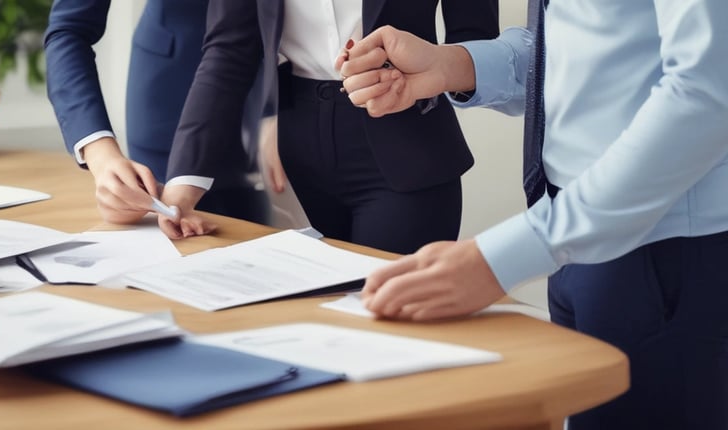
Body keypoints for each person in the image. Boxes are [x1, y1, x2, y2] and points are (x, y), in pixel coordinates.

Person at [338, 1, 728, 429]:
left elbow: (706, 93)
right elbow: (585, 48)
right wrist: (449, 64)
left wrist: (508, 256)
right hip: (574, 236)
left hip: (664, 252)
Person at [156, 0, 499, 252]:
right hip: (299, 149)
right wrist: (184, 183)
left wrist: (420, 77)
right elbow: (229, 50)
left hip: (407, 143)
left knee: (391, 324)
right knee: (321, 320)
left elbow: (478, 43)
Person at [44, 0, 269, 225]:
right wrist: (101, 156)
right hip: (169, 95)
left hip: (275, 86)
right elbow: (68, 29)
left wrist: (276, 105)